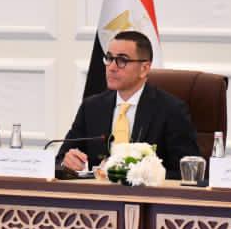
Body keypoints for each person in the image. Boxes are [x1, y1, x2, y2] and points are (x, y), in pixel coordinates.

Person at [58, 30, 199, 178]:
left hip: (144, 192)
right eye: (109, 58)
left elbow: (189, 172)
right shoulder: (92, 107)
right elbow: (60, 159)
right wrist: (67, 162)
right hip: (98, 191)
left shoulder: (171, 110)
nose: (112, 67)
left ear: (144, 69)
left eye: (122, 60)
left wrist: (140, 174)